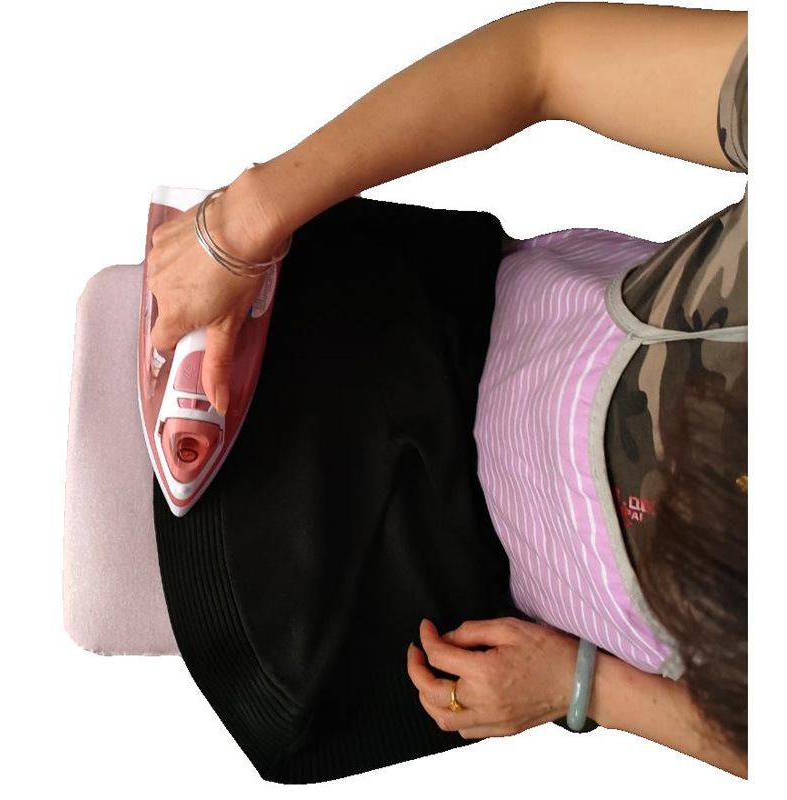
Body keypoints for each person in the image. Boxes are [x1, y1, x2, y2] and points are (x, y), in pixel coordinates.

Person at [146, 2, 747, 778]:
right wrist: (248, 218)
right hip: (454, 323)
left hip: (479, 595)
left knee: (289, 715)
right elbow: (543, 62)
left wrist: (587, 688)